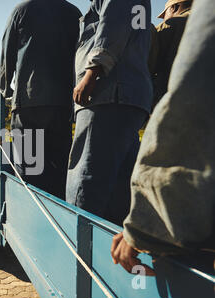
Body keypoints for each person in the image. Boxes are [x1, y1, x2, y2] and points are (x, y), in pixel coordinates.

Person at [111, 0, 215, 274]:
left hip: (176, 141)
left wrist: (148, 224)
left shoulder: (172, 25)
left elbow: (193, 99)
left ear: (176, 6)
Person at [66, 0, 153, 226]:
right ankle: (110, 249)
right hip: (129, 96)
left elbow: (113, 26)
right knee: (119, 185)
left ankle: (78, 248)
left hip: (107, 93)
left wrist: (91, 73)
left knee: (87, 180)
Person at [0, 0, 81, 199]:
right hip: (62, 104)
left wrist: (5, 88)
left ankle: (29, 213)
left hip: (29, 102)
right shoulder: (74, 13)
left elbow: (7, 53)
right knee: (58, 165)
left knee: (28, 167)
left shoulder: (22, 10)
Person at [149, 0, 193, 107]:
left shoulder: (169, 26)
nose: (164, 19)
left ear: (174, 7)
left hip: (170, 100)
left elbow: (148, 66)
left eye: (164, 15)